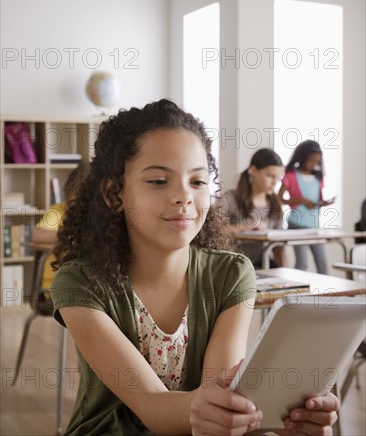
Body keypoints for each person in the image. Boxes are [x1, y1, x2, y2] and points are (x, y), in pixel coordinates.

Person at [50, 100, 339, 435]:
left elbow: (218, 403)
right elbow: (150, 403)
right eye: (159, 181)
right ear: (115, 195)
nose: (183, 197)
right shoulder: (80, 283)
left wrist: (279, 420)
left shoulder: (231, 274)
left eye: (198, 182)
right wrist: (217, 410)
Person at [219, 148, 288, 269]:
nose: (275, 182)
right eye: (270, 176)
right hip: (236, 264)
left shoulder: (275, 204)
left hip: (264, 263)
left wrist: (287, 274)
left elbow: (279, 247)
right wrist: (245, 226)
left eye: (278, 177)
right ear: (253, 170)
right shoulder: (230, 198)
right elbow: (212, 230)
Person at [278, 140, 335, 274]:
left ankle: (325, 292)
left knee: (322, 263)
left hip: (314, 225)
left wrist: (324, 203)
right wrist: (300, 200)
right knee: (302, 263)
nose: (314, 164)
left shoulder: (318, 178)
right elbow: (279, 199)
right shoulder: (291, 176)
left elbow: (318, 200)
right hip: (296, 223)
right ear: (302, 158)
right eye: (311, 160)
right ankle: (298, 291)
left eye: (317, 161)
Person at [31, 162, 90, 290]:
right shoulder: (58, 211)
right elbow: (37, 235)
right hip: (58, 288)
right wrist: (72, 235)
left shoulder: (101, 217)